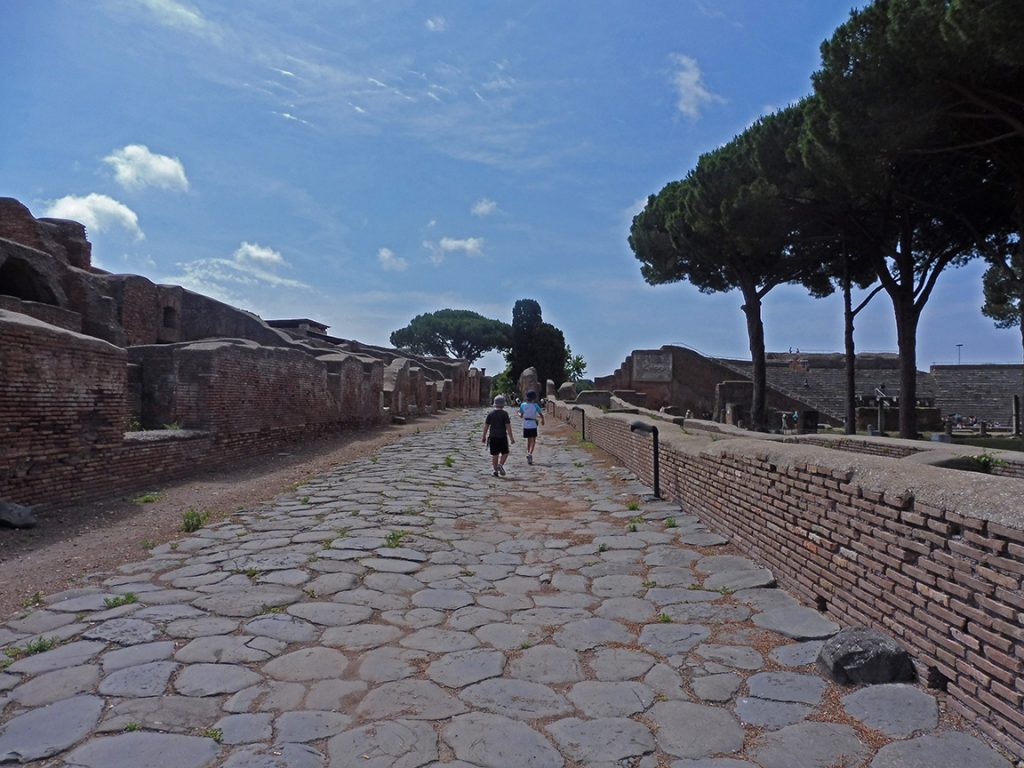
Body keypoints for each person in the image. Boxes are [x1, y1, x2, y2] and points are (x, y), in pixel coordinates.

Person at [482, 395, 514, 476]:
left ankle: (495, 471)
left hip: (493, 437)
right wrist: (511, 438)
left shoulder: (491, 414)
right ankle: (500, 465)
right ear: (503, 404)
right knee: (505, 452)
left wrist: (484, 436)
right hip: (502, 436)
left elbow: (486, 426)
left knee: (494, 454)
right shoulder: (505, 414)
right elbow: (508, 426)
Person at [519, 390, 545, 465]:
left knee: (528, 440)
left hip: (526, 424)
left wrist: (518, 413)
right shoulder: (535, 405)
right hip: (533, 424)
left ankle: (528, 454)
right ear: (534, 398)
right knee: (533, 440)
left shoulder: (523, 405)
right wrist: (543, 420)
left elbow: (521, 415)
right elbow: (541, 414)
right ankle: (530, 453)